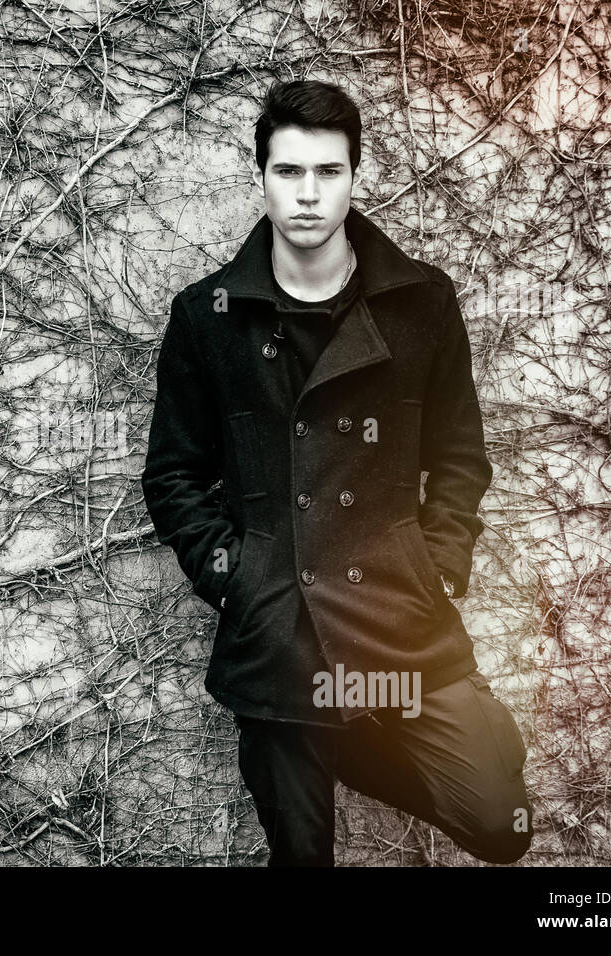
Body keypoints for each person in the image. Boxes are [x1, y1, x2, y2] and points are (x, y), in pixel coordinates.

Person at [140, 78, 533, 866]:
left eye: (327, 172)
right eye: (289, 173)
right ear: (261, 178)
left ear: (355, 178)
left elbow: (459, 456)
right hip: (279, 630)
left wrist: (441, 563)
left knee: (498, 818)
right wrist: (234, 577)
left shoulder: (421, 302)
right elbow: (174, 475)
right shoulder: (207, 315)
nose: (309, 195)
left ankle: (346, 728)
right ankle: (314, 729)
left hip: (398, 618)